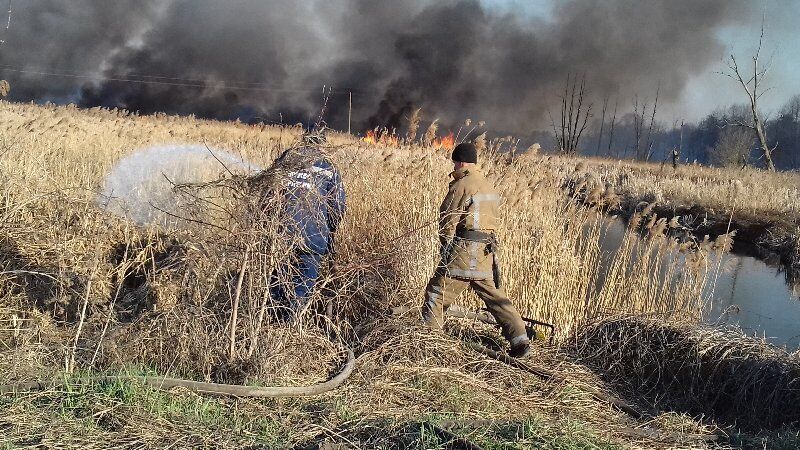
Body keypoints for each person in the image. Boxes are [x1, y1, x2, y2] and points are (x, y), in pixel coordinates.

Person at [421, 142, 531, 358]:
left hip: (463, 253)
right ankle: (521, 339)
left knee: (436, 293)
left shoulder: (461, 185)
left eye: (454, 161)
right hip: (485, 253)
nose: (454, 165)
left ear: (460, 161)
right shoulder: (489, 185)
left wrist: (445, 249)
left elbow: (447, 221)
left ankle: (430, 345)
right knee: (495, 298)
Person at [268, 130, 345, 320]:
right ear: (322, 144)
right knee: (301, 288)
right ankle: (288, 331)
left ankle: (269, 324)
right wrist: (331, 232)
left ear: (303, 140)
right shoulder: (329, 166)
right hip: (314, 238)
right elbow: (337, 206)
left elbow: (270, 193)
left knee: (278, 282)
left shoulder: (287, 158)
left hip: (283, 234)